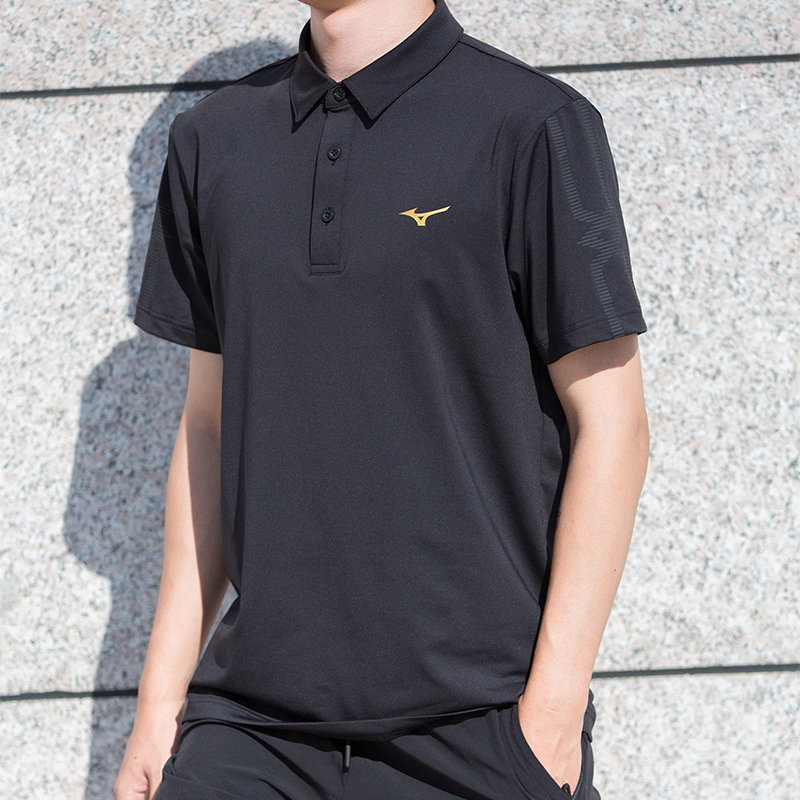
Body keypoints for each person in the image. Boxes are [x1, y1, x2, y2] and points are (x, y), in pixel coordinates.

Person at [115, 0, 649, 797]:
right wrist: (161, 703)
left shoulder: (532, 125)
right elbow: (207, 430)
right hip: (252, 725)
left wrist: (551, 715)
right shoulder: (212, 140)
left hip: (478, 724)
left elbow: (614, 425)